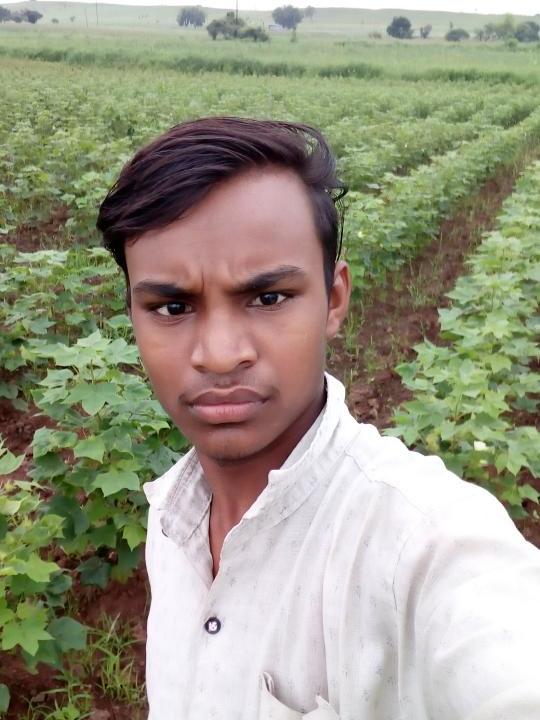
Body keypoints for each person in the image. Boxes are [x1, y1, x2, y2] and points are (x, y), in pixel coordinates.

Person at [97, 117, 540, 720]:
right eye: (171, 307)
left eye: (268, 298)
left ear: (334, 299)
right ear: (131, 314)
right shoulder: (170, 519)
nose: (220, 354)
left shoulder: (425, 546)